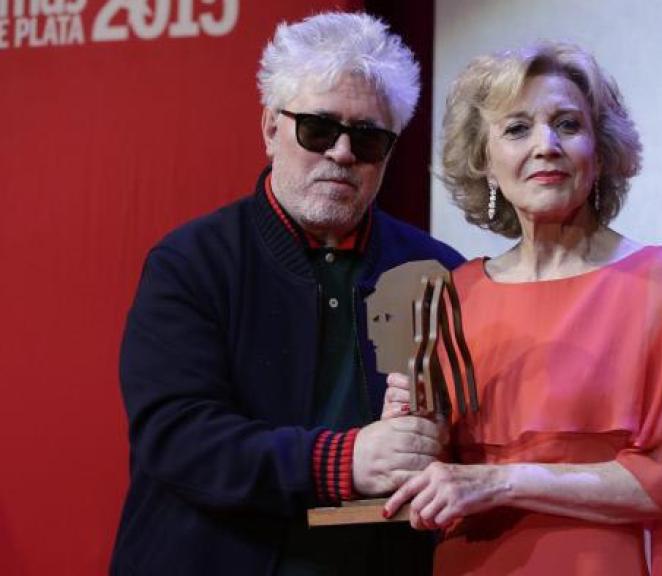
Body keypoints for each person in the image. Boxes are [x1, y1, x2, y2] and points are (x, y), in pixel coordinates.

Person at [110, 12, 462, 575]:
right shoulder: (190, 263)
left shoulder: (440, 272)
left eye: (367, 138)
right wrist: (343, 461)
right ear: (271, 127)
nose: (342, 153)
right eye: (318, 129)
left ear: (388, 154)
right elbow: (177, 437)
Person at [380, 42, 662, 575]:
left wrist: (501, 480)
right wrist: (406, 429)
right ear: (485, 161)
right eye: (517, 128)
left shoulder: (657, 282)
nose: (545, 145)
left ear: (600, 151)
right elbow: (424, 478)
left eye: (567, 125)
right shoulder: (453, 293)